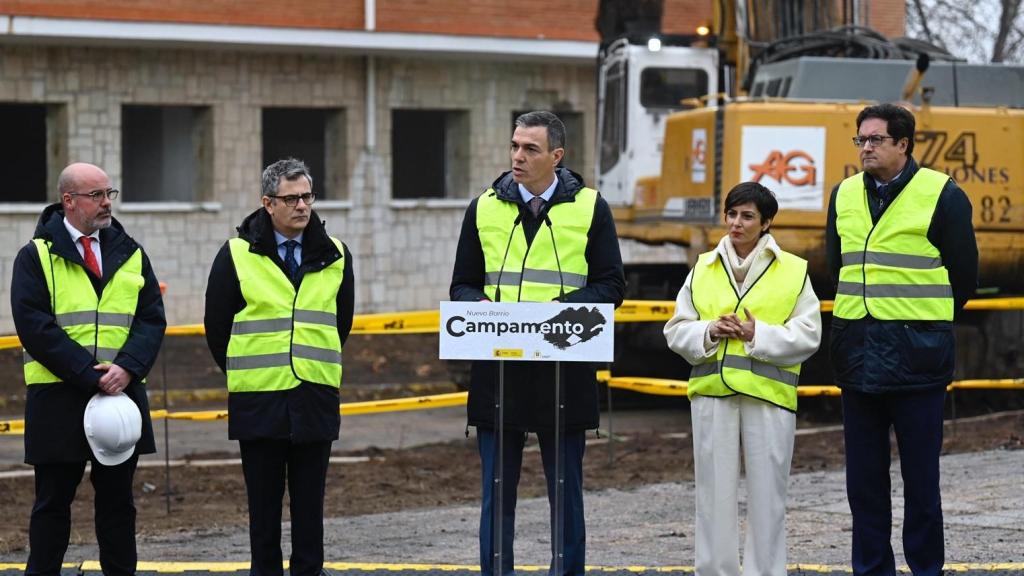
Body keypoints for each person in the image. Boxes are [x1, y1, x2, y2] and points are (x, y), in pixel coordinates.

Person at [450, 111, 625, 576]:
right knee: (496, 493)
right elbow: (462, 286)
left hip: (563, 372)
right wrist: (492, 312)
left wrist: (557, 314)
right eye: (514, 146)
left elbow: (610, 286)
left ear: (557, 156)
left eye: (530, 149)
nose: (518, 157)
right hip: (499, 374)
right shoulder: (483, 207)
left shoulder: (590, 207)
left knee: (565, 494)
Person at [826, 103, 978, 576]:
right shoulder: (844, 194)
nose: (865, 148)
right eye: (861, 140)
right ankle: (872, 570)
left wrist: (922, 325)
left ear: (903, 145)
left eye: (875, 140)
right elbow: (839, 268)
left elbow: (964, 277)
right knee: (864, 486)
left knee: (921, 483)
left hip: (919, 361)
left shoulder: (942, 195)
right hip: (858, 358)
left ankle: (925, 569)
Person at [11, 162, 166, 576]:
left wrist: (127, 368)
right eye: (96, 195)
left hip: (121, 399)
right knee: (52, 507)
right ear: (69, 200)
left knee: (118, 506)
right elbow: (34, 325)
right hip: (59, 400)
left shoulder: (130, 252)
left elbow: (151, 318)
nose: (106, 203)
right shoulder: (36, 257)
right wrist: (90, 373)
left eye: (109, 194)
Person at [204, 158, 354, 576]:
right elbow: (217, 328)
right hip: (259, 400)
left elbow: (340, 324)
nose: (302, 206)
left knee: (311, 507)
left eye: (307, 196)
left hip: (315, 396)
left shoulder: (337, 254)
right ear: (268, 203)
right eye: (291, 198)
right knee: (263, 510)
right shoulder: (236, 254)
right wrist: (247, 371)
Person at [663, 182, 821, 576]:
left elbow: (810, 335)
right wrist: (710, 331)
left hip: (769, 398)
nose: (736, 222)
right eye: (732, 214)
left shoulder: (794, 271)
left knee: (768, 498)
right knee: (713, 496)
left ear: (766, 223)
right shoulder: (702, 268)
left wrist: (757, 334)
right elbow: (675, 329)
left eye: (747, 215)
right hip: (712, 396)